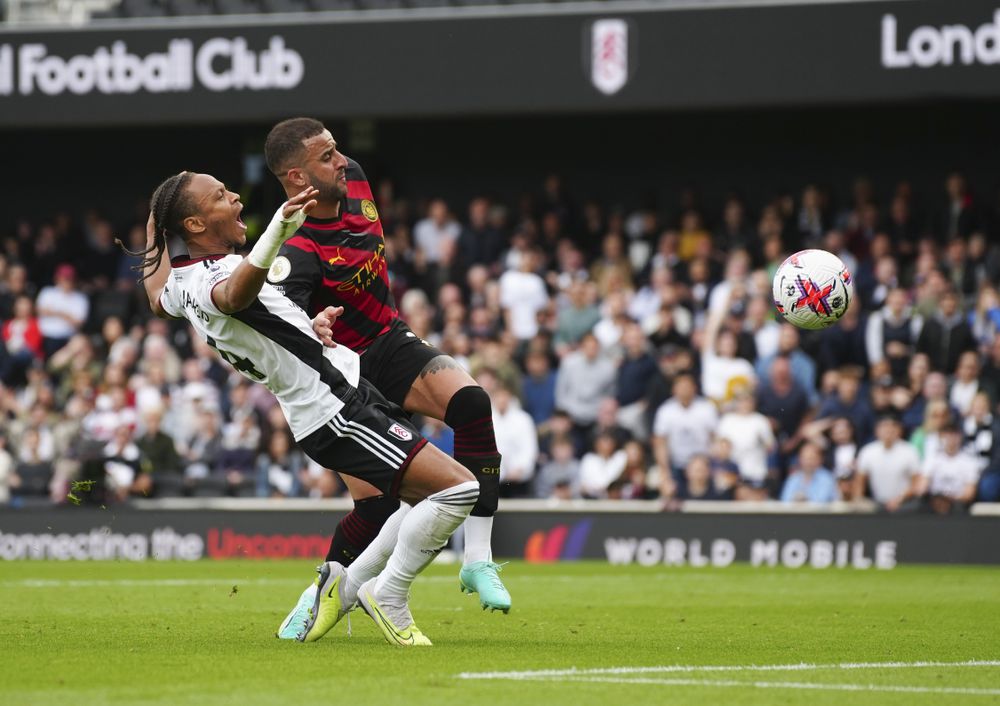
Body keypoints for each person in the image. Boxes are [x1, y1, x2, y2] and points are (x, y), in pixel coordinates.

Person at [123, 172, 479, 646]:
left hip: (337, 394)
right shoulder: (216, 279)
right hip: (334, 409)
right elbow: (234, 296)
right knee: (460, 490)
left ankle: (339, 588)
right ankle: (384, 594)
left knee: (405, 501)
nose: (234, 198)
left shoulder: (183, 282)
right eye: (220, 197)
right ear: (194, 222)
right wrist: (276, 232)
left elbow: (156, 294)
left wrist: (309, 327)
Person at [262, 118, 509, 620]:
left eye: (336, 149)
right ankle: (318, 599)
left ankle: (478, 559)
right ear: (295, 177)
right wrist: (315, 323)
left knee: (472, 403)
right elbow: (279, 321)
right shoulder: (295, 245)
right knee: (376, 507)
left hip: (389, 339)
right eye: (325, 156)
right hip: (345, 375)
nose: (340, 159)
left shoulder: (354, 177)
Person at [854, 415, 923, 513]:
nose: (888, 430)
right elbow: (859, 482)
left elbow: (916, 483)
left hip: (904, 502)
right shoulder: (867, 451)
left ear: (899, 430)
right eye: (884, 426)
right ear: (877, 430)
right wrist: (858, 500)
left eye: (893, 426)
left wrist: (900, 499)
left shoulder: (910, 451)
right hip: (877, 503)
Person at [918, 423, 980, 515]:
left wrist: (950, 499)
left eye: (954, 436)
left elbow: (969, 493)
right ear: (942, 437)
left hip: (957, 502)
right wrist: (933, 497)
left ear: (960, 437)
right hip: (934, 500)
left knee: (959, 509)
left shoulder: (969, 461)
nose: (951, 439)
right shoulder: (932, 459)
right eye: (948, 435)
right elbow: (922, 487)